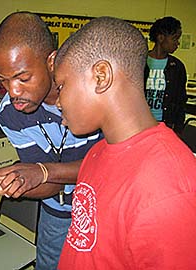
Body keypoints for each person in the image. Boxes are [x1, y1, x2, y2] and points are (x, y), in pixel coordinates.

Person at [0, 11, 101, 269]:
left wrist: (44, 171)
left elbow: (107, 168)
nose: (13, 92)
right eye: (3, 80)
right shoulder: (9, 113)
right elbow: (49, 184)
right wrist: (15, 183)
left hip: (105, 211)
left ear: (52, 61)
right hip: (57, 213)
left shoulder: (92, 96)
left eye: (23, 78)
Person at [53, 16, 196, 269]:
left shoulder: (171, 188)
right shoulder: (98, 152)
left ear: (101, 76)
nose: (58, 101)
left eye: (62, 85)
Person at [144, 16, 187, 135]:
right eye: (174, 38)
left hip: (165, 126)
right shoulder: (140, 63)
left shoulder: (177, 67)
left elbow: (181, 101)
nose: (177, 43)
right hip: (140, 125)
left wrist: (177, 131)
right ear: (161, 38)